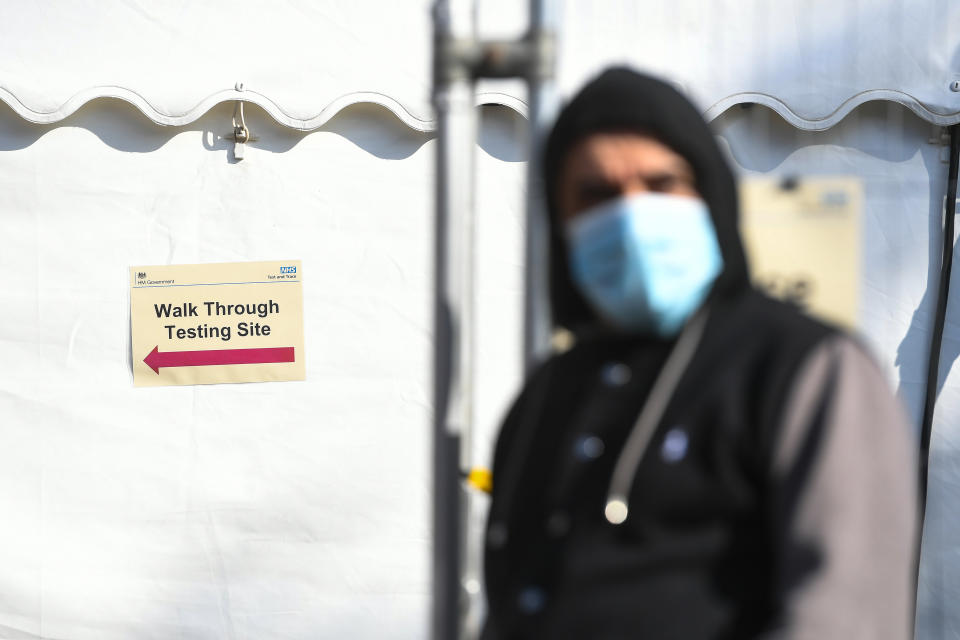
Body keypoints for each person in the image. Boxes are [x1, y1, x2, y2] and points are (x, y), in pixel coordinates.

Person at [481, 68, 918, 639]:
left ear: (710, 196)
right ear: (560, 224)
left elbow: (842, 616)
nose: (631, 217)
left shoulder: (805, 368)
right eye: (596, 194)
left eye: (661, 184)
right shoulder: (548, 392)